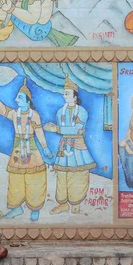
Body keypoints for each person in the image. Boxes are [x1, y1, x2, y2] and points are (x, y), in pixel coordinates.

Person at [0, 78, 52, 221]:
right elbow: (1, 109)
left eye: (19, 97)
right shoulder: (15, 114)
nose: (16, 99)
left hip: (32, 149)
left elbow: (39, 132)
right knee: (15, 180)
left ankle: (35, 208)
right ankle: (17, 208)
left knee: (35, 179)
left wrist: (45, 148)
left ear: (27, 101)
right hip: (17, 150)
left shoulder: (35, 116)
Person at [43, 75, 97, 214]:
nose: (64, 95)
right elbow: (64, 129)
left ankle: (76, 203)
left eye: (67, 93)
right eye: (64, 93)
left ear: (74, 96)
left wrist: (56, 129)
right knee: (61, 175)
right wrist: (55, 128)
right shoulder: (60, 111)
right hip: (64, 145)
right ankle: (63, 204)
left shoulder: (82, 112)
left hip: (78, 146)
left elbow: (78, 130)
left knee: (78, 174)